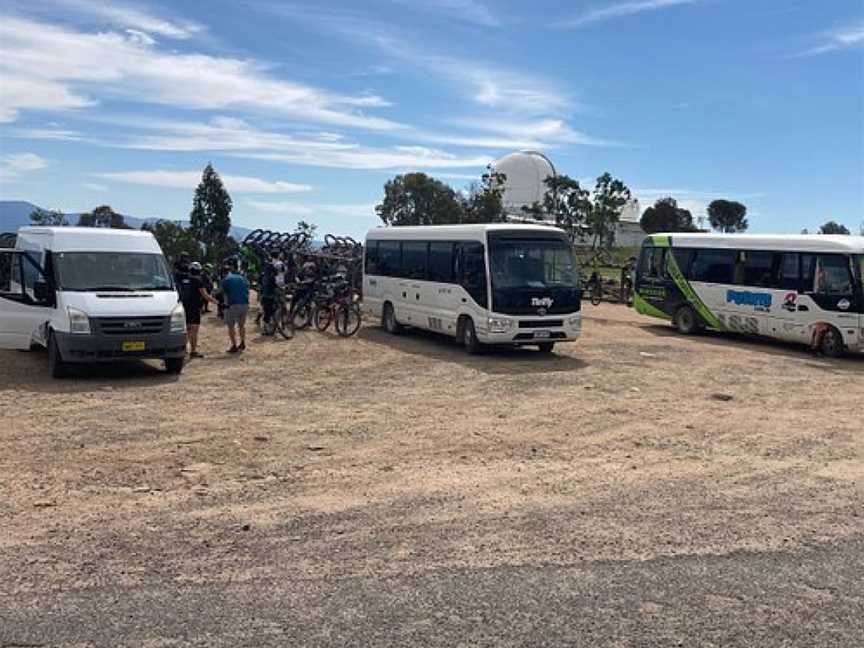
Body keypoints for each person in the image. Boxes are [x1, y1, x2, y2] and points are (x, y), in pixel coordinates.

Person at [178, 262, 217, 358]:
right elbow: (205, 295)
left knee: (186, 328)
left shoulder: (181, 279)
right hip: (194, 307)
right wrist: (217, 302)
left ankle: (182, 349)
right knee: (194, 330)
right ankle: (193, 351)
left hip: (183, 307)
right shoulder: (197, 280)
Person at [220, 262, 250, 353]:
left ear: (222, 273)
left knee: (231, 326)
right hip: (245, 304)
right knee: (241, 325)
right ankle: (243, 342)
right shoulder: (241, 278)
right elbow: (247, 288)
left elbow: (223, 293)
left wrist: (224, 306)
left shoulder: (225, 280)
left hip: (233, 305)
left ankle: (234, 345)